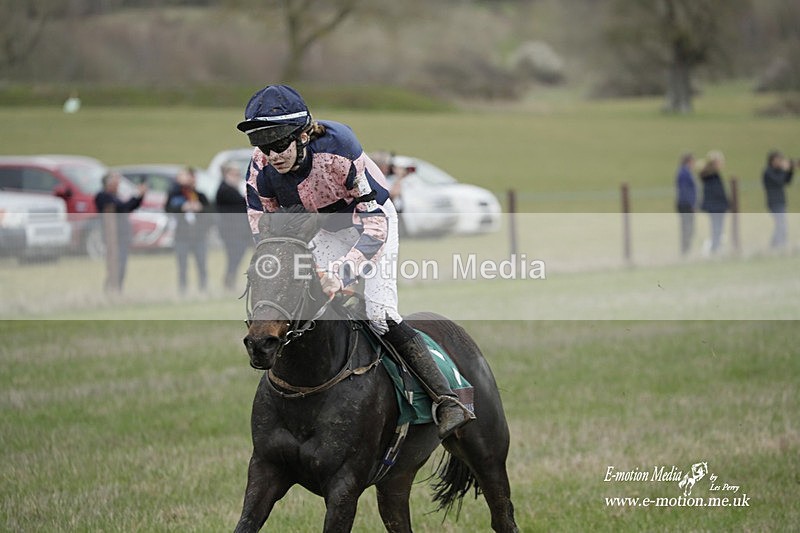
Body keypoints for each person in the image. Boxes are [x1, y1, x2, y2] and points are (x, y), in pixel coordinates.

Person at [237, 84, 473, 439]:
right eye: (262, 145)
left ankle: (446, 399)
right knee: (308, 308)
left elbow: (374, 224)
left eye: (279, 144)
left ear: (303, 135)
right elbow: (266, 233)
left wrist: (341, 274)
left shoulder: (340, 150)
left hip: (372, 223)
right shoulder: (259, 169)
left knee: (378, 314)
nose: (272, 155)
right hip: (323, 230)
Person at [94, 171, 147, 292]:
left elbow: (129, 206)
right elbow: (122, 207)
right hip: (113, 238)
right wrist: (136, 195)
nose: (118, 183)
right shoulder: (103, 196)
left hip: (122, 237)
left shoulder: (116, 196)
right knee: (114, 266)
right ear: (108, 183)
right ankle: (111, 290)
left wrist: (140, 196)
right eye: (116, 180)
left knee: (122, 266)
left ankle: (118, 290)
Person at [165, 166, 210, 294]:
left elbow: (210, 212)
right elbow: (168, 207)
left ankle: (203, 290)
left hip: (199, 236)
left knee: (201, 264)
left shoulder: (199, 195)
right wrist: (182, 207)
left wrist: (200, 208)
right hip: (182, 236)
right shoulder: (175, 194)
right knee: (182, 266)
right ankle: (182, 291)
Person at [215, 162, 252, 290]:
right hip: (231, 232)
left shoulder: (233, 188)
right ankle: (229, 283)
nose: (237, 177)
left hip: (239, 232)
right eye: (234, 174)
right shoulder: (225, 190)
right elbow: (242, 203)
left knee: (236, 258)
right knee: (233, 258)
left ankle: (230, 282)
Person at [698, 150, 729, 255]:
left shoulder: (714, 176)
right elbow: (715, 193)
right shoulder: (709, 176)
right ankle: (714, 248)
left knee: (718, 228)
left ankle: (716, 247)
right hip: (715, 207)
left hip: (718, 207)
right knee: (716, 228)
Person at [762, 150, 794, 249]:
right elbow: (779, 181)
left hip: (781, 201)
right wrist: (784, 169)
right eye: (778, 160)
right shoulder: (768, 172)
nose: (780, 162)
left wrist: (790, 169)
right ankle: (778, 245)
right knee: (781, 225)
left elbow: (787, 181)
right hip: (774, 202)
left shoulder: (778, 171)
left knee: (781, 225)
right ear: (772, 160)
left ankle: (775, 245)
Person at [675, 152, 697, 256]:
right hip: (685, 205)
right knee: (687, 228)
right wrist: (691, 204)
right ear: (689, 161)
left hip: (685, 204)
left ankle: (686, 250)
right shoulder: (684, 173)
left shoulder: (686, 172)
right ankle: (685, 251)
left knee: (689, 228)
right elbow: (685, 191)